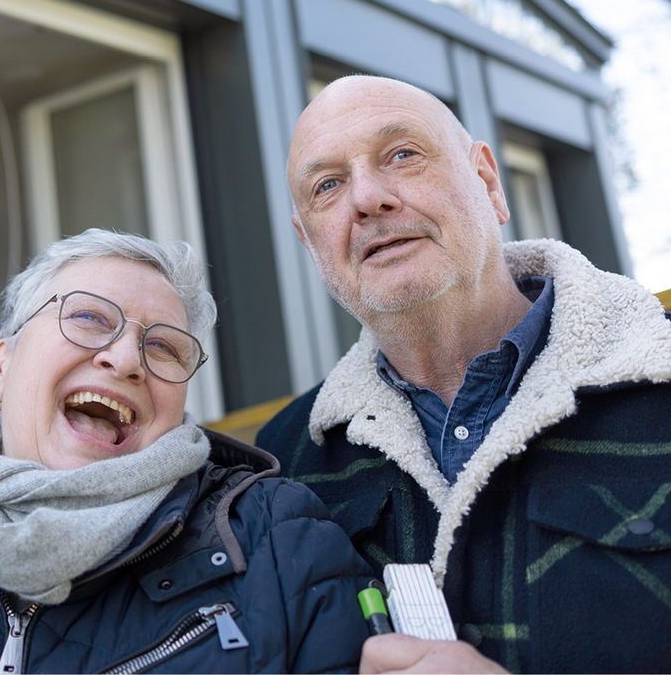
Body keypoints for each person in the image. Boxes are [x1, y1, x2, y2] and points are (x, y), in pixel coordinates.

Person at [0, 228, 376, 674]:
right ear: (1, 368)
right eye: (87, 318)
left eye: (166, 348)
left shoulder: (282, 545)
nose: (126, 359)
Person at [257, 75, 671, 675]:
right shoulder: (283, 463)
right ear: (310, 241)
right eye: (328, 186)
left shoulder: (657, 370)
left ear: (489, 183)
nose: (368, 198)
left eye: (402, 155)